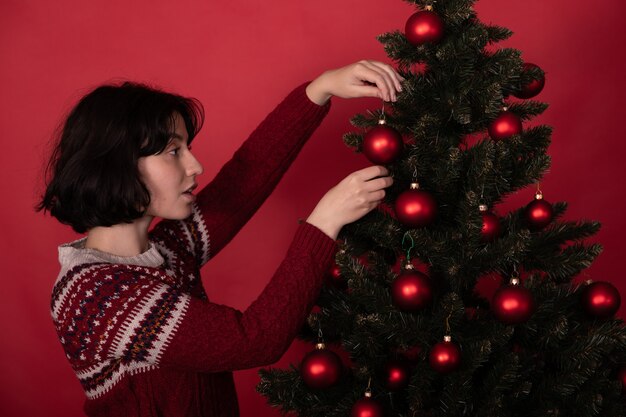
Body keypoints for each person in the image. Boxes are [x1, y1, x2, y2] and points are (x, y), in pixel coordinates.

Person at [37, 60, 403, 417]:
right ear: (120, 166)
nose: (195, 166)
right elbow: (255, 340)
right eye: (173, 152)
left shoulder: (162, 251)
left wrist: (319, 89)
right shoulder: (98, 296)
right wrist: (325, 222)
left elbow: (239, 186)